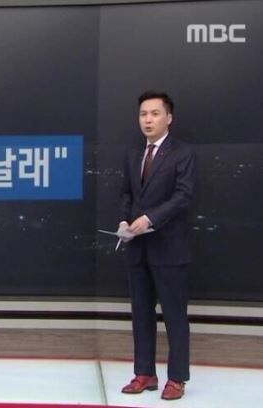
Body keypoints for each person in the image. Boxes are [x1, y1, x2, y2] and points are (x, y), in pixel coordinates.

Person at [118, 91, 196, 400]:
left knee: (175, 315)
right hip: (137, 248)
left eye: (154, 114)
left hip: (169, 247)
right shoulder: (133, 153)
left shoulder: (183, 153)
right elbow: (126, 193)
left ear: (169, 118)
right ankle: (144, 373)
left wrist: (150, 219)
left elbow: (183, 196)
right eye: (143, 114)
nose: (147, 120)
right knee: (141, 313)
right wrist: (124, 222)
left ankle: (176, 378)